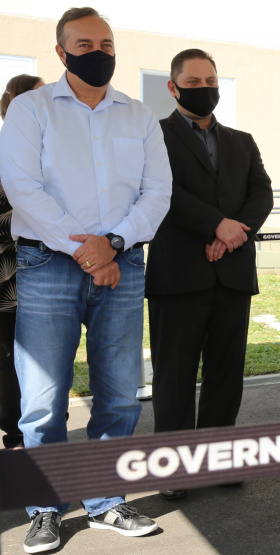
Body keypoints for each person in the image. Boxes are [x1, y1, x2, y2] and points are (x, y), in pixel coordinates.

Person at [0, 7, 171, 553]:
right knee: (43, 399)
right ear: (61, 52)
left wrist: (114, 244)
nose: (98, 51)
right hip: (48, 265)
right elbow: (23, 188)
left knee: (119, 393)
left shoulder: (139, 116)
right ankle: (45, 508)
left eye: (106, 42)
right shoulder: (31, 110)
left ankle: (103, 501)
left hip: (123, 264)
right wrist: (90, 251)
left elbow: (157, 193)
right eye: (84, 43)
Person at [145, 49, 273, 500]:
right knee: (174, 376)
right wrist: (214, 224)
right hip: (178, 276)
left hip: (233, 276)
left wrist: (232, 234)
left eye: (211, 80)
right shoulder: (153, 136)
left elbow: (262, 194)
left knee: (225, 374)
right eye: (194, 82)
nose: (205, 89)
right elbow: (161, 193)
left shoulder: (242, 140)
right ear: (173, 86)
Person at [0, 74, 45, 451]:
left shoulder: (48, 148)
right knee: (10, 362)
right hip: (9, 278)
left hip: (44, 276)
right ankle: (18, 438)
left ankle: (42, 441)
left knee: (46, 363)